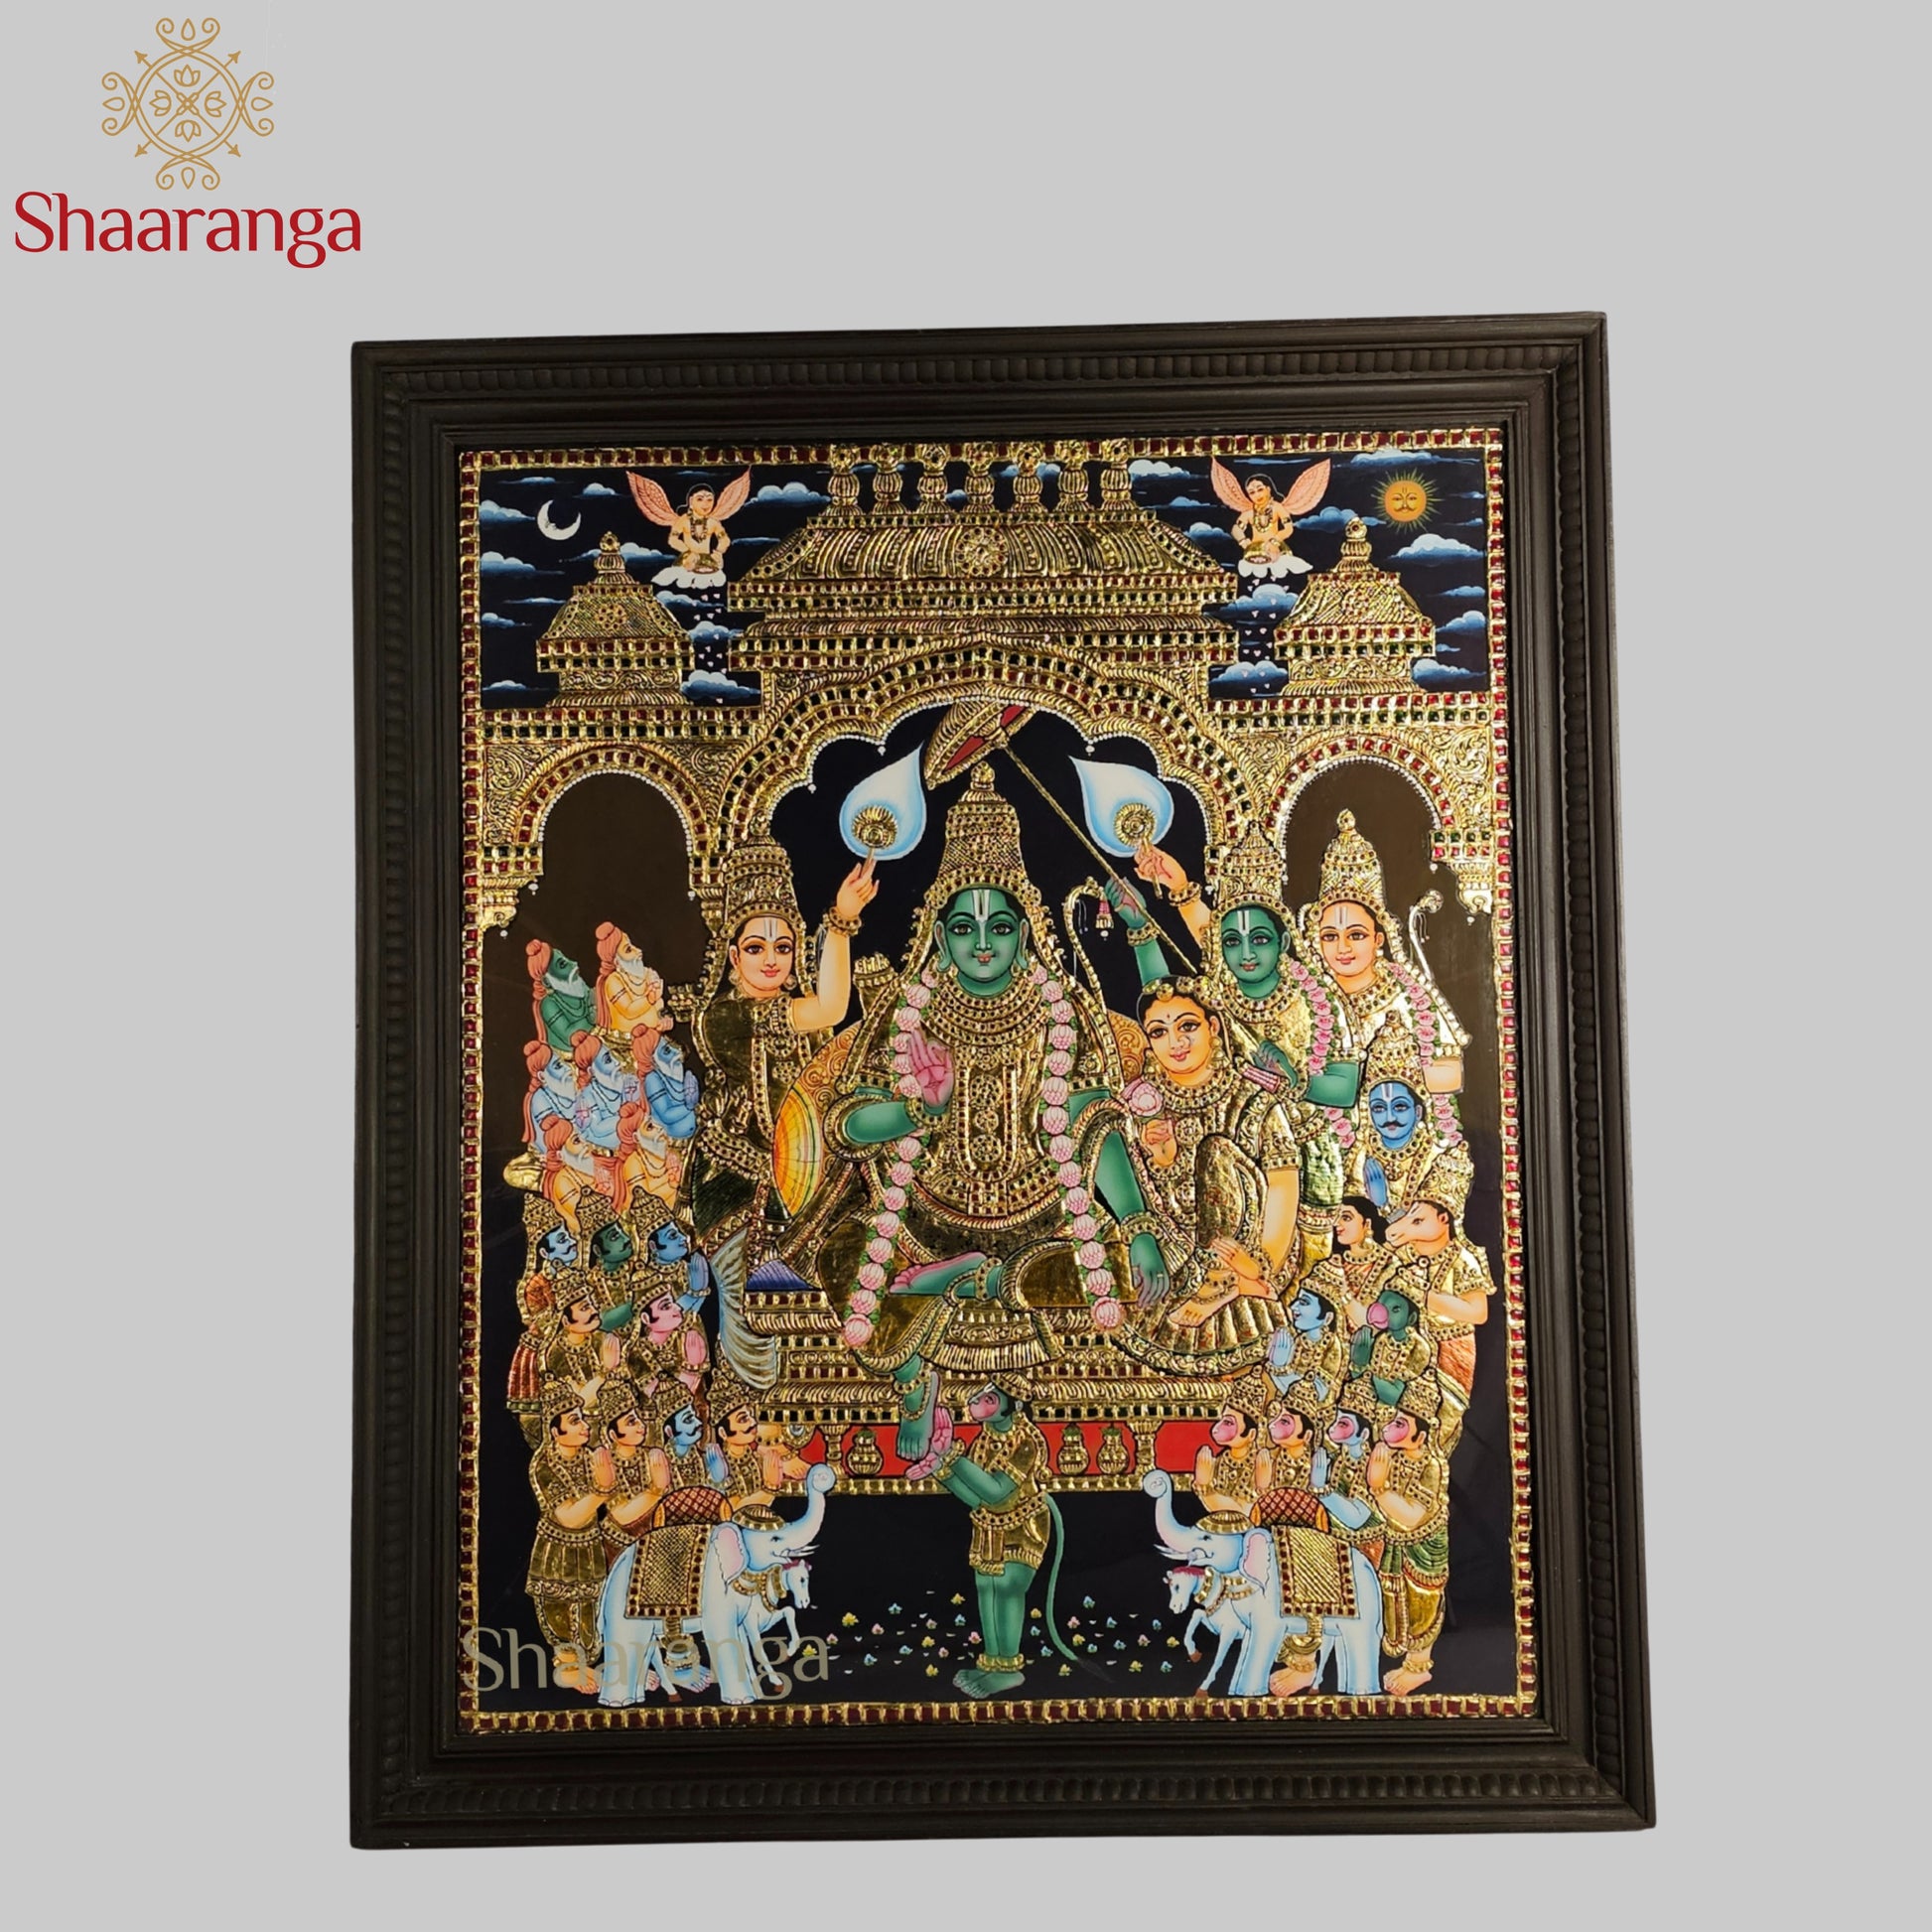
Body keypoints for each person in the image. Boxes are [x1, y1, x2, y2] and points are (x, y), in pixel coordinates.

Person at [813, 765, 1166, 1456]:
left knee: (1136, 1272)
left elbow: (1095, 1123)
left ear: (1025, 933)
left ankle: (984, 1277)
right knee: (842, 1260)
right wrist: (919, 1111)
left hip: (1045, 1218)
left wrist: (1138, 1224)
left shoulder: (1060, 1010)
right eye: (964, 927)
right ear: (939, 934)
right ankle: (915, 1383)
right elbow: (846, 1124)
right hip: (921, 1216)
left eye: (1000, 927)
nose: (982, 943)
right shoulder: (910, 1010)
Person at [688, 837, 878, 1386]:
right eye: (755, 948)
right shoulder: (723, 1018)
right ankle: (747, 1412)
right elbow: (831, 1005)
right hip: (739, 1183)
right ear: (732, 956)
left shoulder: (802, 1021)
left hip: (810, 1178)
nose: (771, 960)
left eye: (784, 947)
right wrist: (840, 922)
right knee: (753, 1312)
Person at [1122, 980, 1306, 1364]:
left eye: (1187, 1026)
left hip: (1251, 1251)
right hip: (1177, 1253)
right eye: (1159, 1032)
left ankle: (1225, 1283)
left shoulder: (1254, 1100)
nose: (1175, 1042)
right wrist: (1159, 1154)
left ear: (1214, 1027)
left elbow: (1283, 1190)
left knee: (1215, 1151)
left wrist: (1259, 1265)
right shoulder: (1141, 1106)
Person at [917, 1373, 1052, 1701]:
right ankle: (994, 1664)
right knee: (986, 1587)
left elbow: (995, 1492)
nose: (977, 1404)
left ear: (1012, 1405)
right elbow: (977, 1500)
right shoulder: (983, 1440)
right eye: (976, 1398)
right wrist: (942, 1471)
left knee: (1007, 1588)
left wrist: (952, 1458)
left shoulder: (1026, 1441)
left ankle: (1010, 1668)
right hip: (988, 1525)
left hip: (1024, 1525)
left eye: (988, 1399)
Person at [1381, 1143, 1490, 1449]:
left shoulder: (1463, 1259)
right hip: (1405, 1347)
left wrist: (1425, 1297)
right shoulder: (1407, 1254)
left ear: (1444, 1220)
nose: (1410, 1227)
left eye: (1419, 1221)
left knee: (1438, 1425)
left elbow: (1478, 1312)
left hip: (1451, 1350)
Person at [1365, 1369, 1452, 1695]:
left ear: (1421, 1435)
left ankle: (1418, 1667)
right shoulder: (1395, 1457)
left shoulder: (1432, 1466)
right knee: (1394, 1595)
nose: (1390, 1427)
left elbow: (1413, 1516)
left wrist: (1378, 1489)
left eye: (1401, 1423)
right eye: (1393, 1420)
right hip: (1395, 1541)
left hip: (1423, 1546)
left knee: (1422, 1601)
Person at [525, 1384, 608, 1693]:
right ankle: (570, 1667)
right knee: (559, 1608)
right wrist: (602, 1492)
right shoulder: (544, 1464)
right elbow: (569, 1517)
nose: (585, 1425)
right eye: (574, 1421)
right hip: (557, 1550)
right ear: (554, 1431)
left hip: (590, 1546)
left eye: (582, 1418)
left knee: (590, 1607)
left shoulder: (590, 1456)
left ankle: (587, 1664)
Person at [527, 941, 597, 1052]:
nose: (573, 963)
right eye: (563, 964)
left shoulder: (577, 984)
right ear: (547, 981)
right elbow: (570, 1035)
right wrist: (593, 1014)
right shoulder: (548, 1005)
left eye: (567, 959)